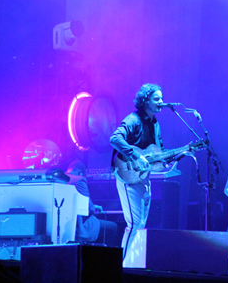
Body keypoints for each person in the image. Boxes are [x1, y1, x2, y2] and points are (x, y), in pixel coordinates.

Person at [109, 83, 165, 259]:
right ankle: (121, 269)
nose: (161, 102)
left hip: (144, 178)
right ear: (145, 100)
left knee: (140, 225)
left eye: (162, 98)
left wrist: (173, 158)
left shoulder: (155, 123)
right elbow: (115, 138)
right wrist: (135, 156)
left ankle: (133, 266)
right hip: (128, 174)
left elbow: (157, 154)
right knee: (133, 224)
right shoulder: (134, 119)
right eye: (157, 99)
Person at [67, 160, 118, 247]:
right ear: (80, 171)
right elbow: (90, 209)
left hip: (64, 221)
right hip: (78, 225)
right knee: (113, 227)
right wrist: (92, 209)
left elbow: (70, 202)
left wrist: (93, 206)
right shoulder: (80, 180)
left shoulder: (58, 178)